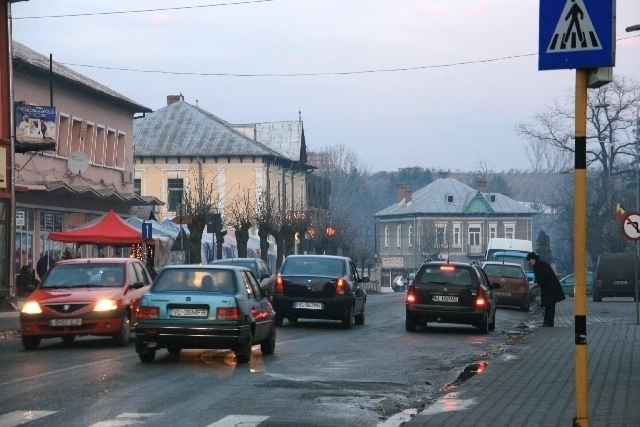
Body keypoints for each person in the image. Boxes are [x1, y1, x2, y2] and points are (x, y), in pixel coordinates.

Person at [526, 252, 565, 327]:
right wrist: (536, 284)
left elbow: (544, 276)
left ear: (533, 259)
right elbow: (539, 277)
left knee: (549, 305)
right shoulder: (538, 265)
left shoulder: (541, 264)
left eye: (530, 261)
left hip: (551, 288)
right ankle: (547, 322)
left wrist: (536, 284)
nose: (530, 263)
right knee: (548, 305)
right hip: (548, 288)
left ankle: (549, 322)